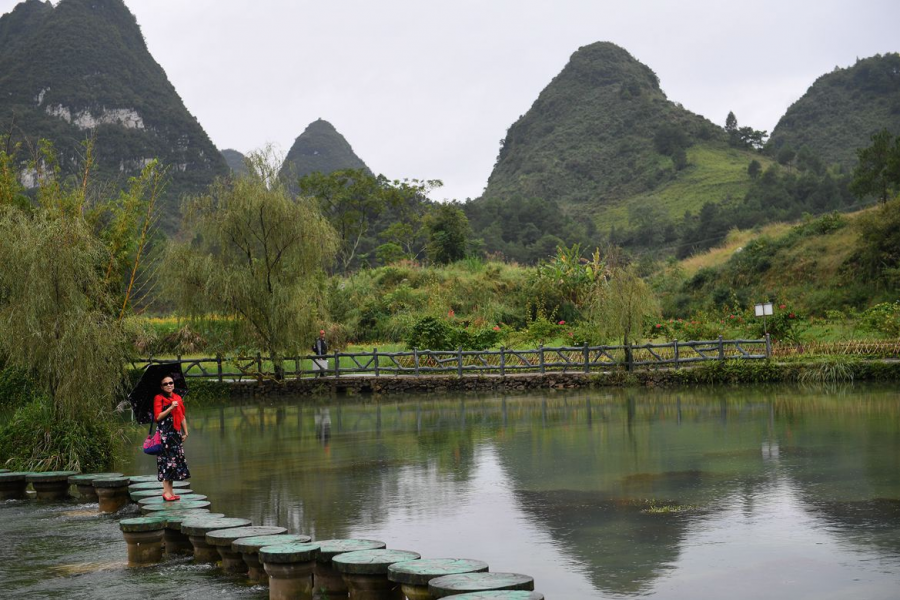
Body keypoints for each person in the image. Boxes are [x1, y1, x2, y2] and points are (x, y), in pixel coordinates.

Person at [153, 375, 190, 501]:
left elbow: (182, 416)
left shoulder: (177, 398)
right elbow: (157, 417)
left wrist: (185, 432)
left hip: (175, 434)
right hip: (164, 435)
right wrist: (170, 408)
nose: (169, 385)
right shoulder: (159, 398)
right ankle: (165, 492)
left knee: (174, 463)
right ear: (161, 387)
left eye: (171, 382)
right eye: (166, 384)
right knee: (166, 462)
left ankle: (171, 492)